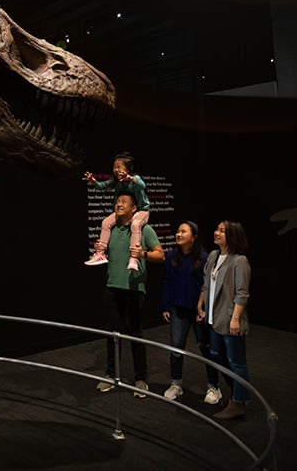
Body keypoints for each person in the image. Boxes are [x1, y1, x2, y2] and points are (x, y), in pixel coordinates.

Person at [95, 192, 165, 398]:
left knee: (135, 333)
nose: (119, 204)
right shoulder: (112, 228)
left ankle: (140, 378)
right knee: (112, 333)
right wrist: (101, 248)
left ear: (135, 208)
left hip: (134, 289)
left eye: (124, 202)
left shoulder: (144, 229)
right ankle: (111, 375)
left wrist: (143, 254)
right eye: (117, 201)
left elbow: (160, 255)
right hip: (111, 287)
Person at [161, 221, 223, 405]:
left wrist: (203, 308)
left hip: (198, 312)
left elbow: (208, 287)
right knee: (176, 348)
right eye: (178, 231)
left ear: (194, 237)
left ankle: (214, 386)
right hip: (177, 309)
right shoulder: (171, 255)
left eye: (183, 231)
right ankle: (176, 384)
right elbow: (167, 281)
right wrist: (165, 306)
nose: (178, 234)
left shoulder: (203, 258)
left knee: (206, 349)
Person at [197, 220, 253, 420]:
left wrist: (236, 318)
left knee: (236, 362)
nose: (217, 232)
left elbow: (242, 293)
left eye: (222, 230)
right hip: (213, 320)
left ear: (232, 235)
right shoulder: (213, 256)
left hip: (230, 319)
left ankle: (238, 402)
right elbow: (206, 284)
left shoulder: (239, 261)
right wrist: (200, 305)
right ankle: (238, 393)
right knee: (216, 356)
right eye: (217, 228)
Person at [83, 151, 150, 270]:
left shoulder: (135, 179)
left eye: (119, 167)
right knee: (106, 223)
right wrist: (92, 181)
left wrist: (131, 178)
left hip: (141, 211)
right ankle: (100, 254)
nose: (116, 170)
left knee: (135, 224)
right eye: (114, 167)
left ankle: (134, 258)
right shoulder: (116, 181)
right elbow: (102, 186)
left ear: (128, 169)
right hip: (124, 212)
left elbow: (142, 185)